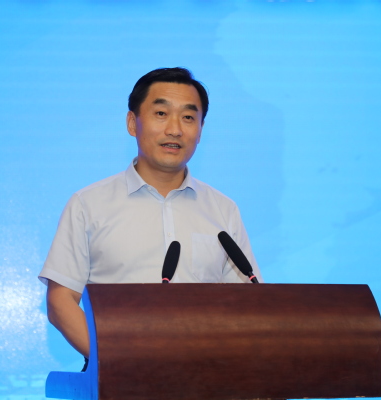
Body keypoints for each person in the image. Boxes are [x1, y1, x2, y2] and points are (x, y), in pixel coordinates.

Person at [39, 67, 262, 358]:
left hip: (207, 373)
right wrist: (113, 364)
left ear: (200, 130)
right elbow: (61, 301)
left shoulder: (223, 209)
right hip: (117, 374)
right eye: (161, 114)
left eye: (188, 117)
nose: (175, 129)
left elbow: (250, 302)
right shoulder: (89, 204)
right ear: (133, 123)